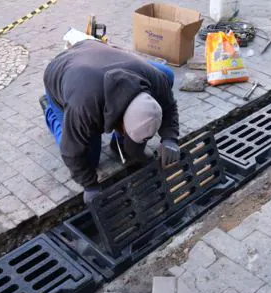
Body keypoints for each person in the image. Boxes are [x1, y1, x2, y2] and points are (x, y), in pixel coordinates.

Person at [40, 39, 181, 204]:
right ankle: (49, 109)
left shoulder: (156, 80)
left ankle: (119, 143)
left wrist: (170, 138)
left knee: (168, 74)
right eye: (125, 134)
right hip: (61, 71)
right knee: (89, 159)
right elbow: (71, 150)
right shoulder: (84, 107)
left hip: (98, 55)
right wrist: (90, 186)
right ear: (120, 123)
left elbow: (169, 107)